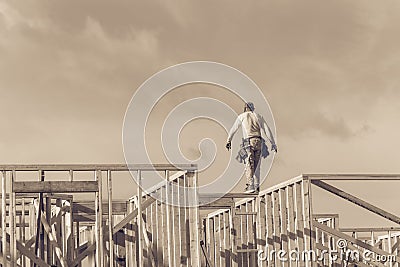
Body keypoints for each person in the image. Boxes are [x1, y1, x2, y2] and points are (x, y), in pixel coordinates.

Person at [226, 102, 277, 193]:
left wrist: (229, 140)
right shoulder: (258, 116)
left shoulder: (242, 116)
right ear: (253, 108)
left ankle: (250, 185)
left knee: (249, 163)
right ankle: (257, 186)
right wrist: (273, 143)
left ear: (245, 108)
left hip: (248, 141)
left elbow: (233, 129)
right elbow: (267, 129)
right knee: (257, 165)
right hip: (259, 141)